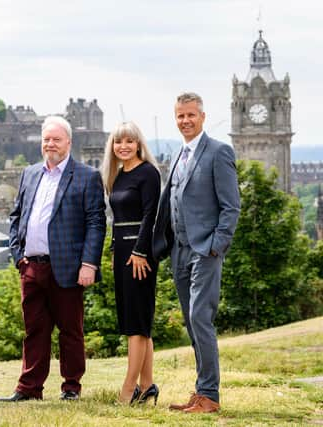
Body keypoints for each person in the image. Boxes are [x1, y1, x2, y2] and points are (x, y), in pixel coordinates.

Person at [0, 116, 106, 402]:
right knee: (34, 329)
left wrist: (89, 263)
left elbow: (96, 222)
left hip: (69, 267)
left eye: (56, 139)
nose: (51, 144)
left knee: (70, 330)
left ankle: (71, 387)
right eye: (47, 139)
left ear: (69, 142)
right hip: (31, 266)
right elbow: (16, 216)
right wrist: (17, 255)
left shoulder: (86, 176)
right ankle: (29, 388)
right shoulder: (30, 173)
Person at [152, 92, 240, 413]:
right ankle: (201, 391)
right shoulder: (178, 154)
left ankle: (210, 396)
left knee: (200, 318)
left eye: (191, 115)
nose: (185, 121)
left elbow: (231, 207)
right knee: (191, 323)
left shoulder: (219, 152)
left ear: (202, 116)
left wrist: (216, 247)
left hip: (205, 251)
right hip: (179, 252)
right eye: (180, 116)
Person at [101, 121, 161, 405]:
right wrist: (115, 251)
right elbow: (116, 219)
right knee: (135, 320)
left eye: (129, 141)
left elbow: (151, 215)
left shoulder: (148, 173)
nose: (123, 146)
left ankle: (129, 389)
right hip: (123, 250)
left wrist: (139, 251)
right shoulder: (117, 176)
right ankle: (147, 385)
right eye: (118, 142)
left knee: (137, 324)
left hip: (140, 252)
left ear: (138, 144)